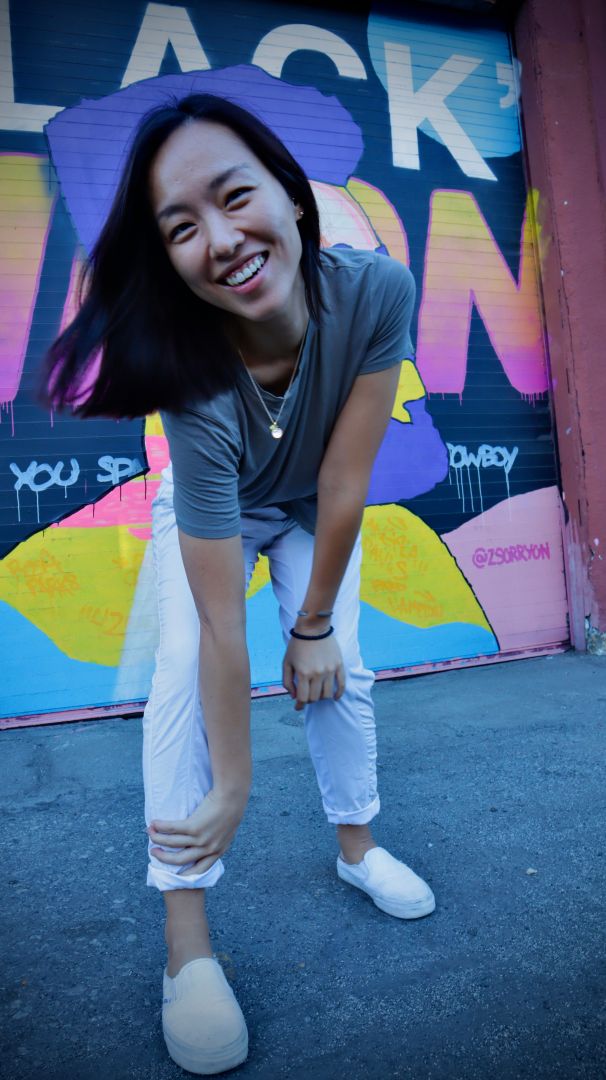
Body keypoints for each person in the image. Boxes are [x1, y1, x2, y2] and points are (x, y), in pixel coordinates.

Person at [45, 93, 435, 1076]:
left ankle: (358, 849)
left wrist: (313, 628)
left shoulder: (377, 291)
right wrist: (235, 787)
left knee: (341, 665)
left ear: (291, 197)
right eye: (182, 228)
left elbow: (344, 483)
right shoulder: (192, 380)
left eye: (234, 197)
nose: (219, 240)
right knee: (181, 665)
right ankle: (187, 945)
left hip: (310, 500)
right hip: (217, 509)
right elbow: (223, 626)